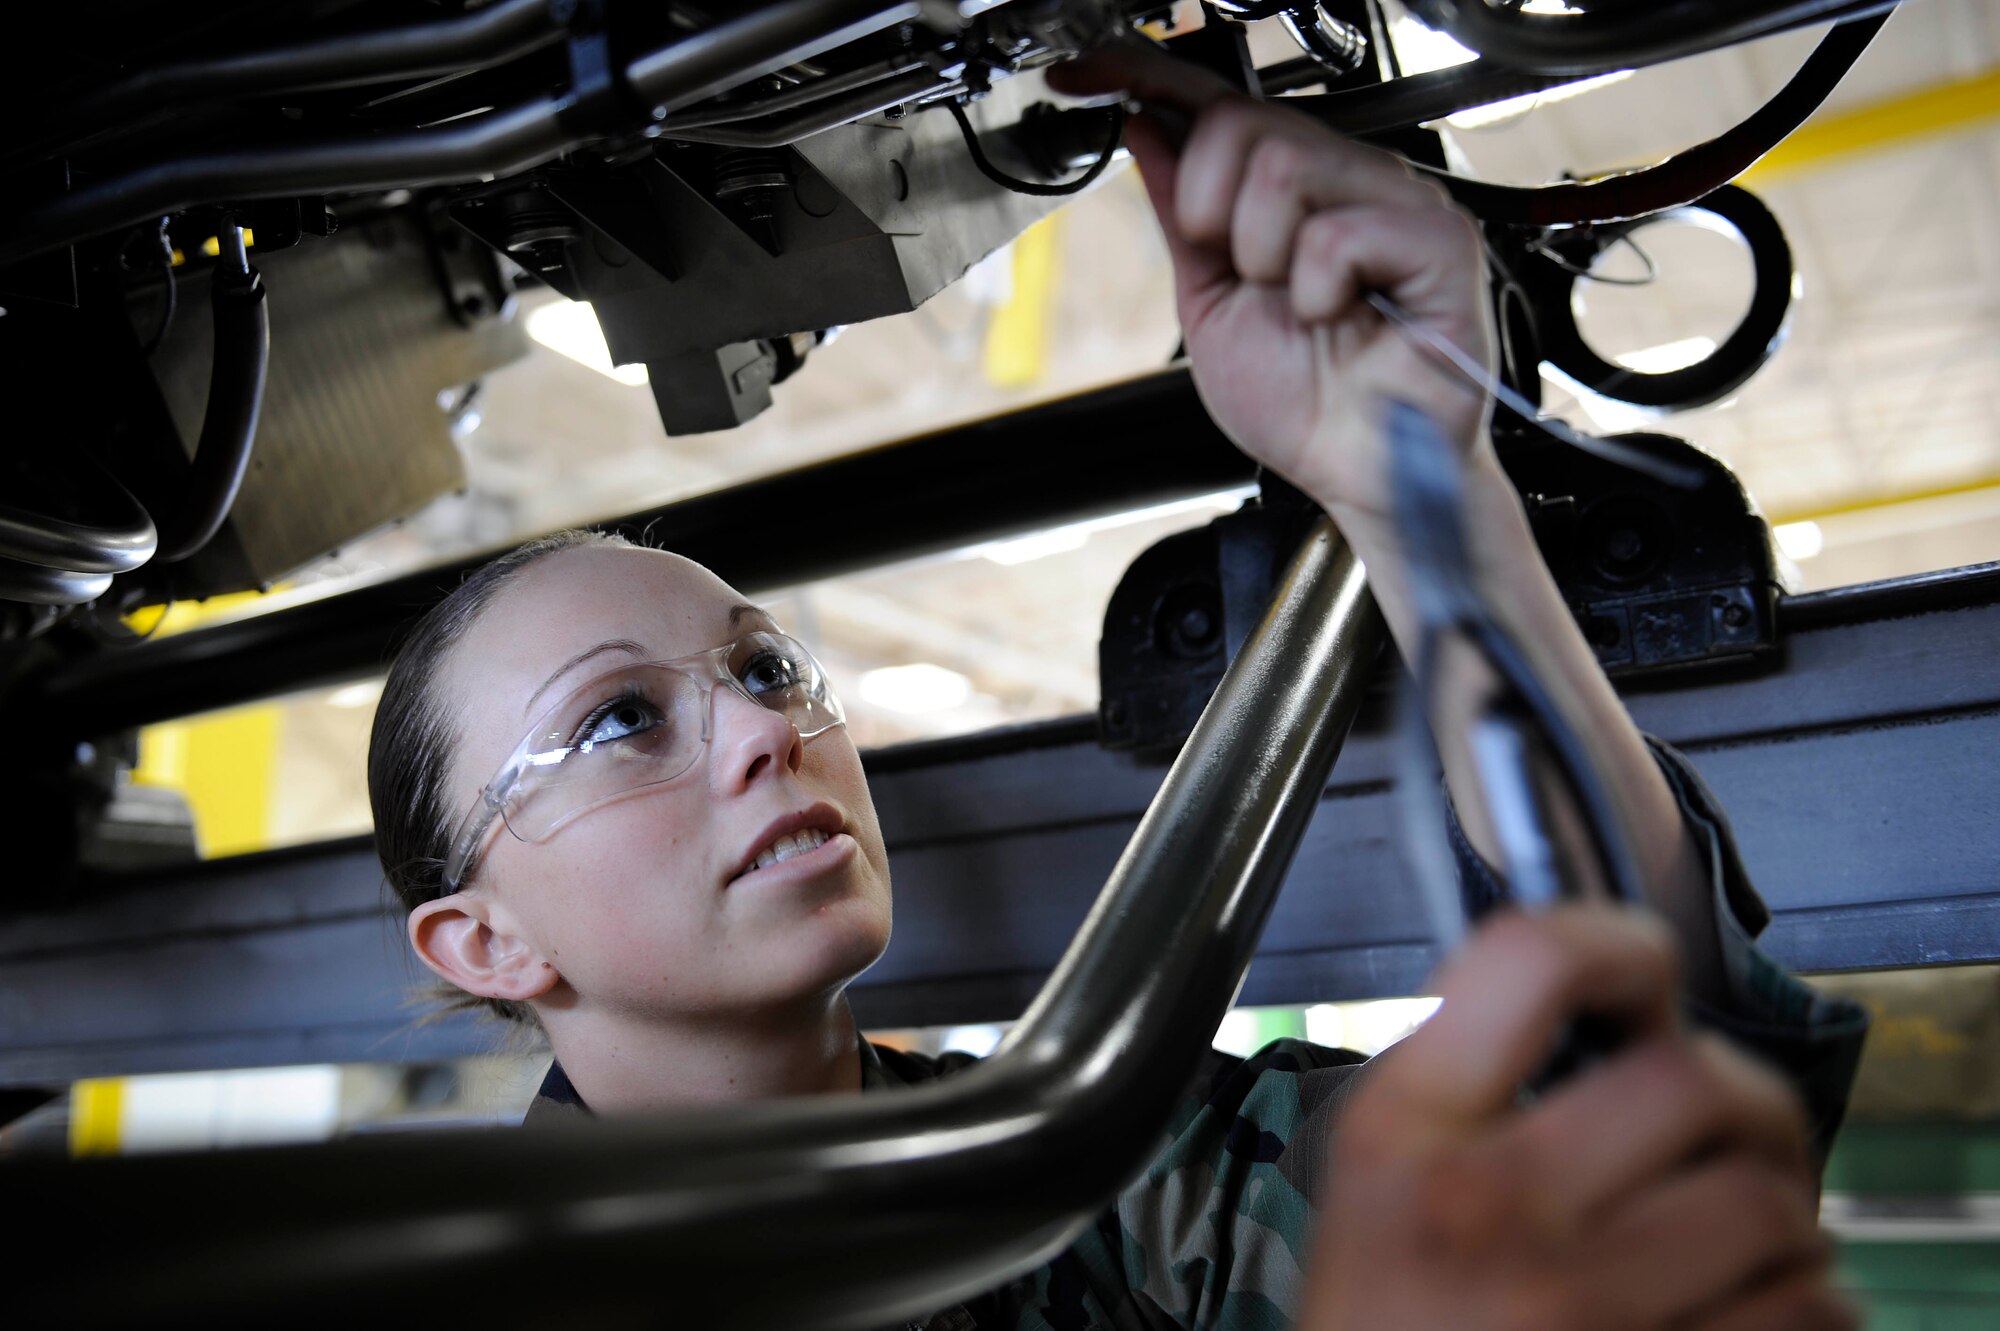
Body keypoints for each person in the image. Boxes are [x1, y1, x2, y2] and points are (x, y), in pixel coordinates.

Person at [366, 42, 1866, 1331]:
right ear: (483, 939)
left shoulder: (1091, 1172)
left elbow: (1646, 1121)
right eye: (622, 717)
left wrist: (1425, 493)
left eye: (765, 668)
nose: (767, 728)